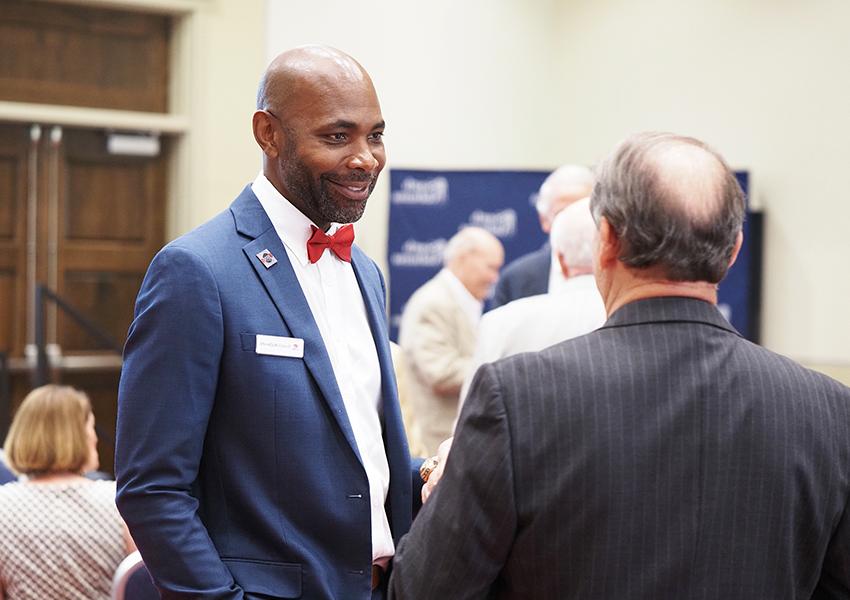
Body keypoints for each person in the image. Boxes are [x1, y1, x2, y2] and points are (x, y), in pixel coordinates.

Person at [389, 132, 850, 599]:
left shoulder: (518, 397)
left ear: (604, 240)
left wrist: (446, 490)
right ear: (733, 250)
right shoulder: (829, 410)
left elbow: (424, 590)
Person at [115, 46, 419, 599]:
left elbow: (348, 453)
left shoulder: (365, 273)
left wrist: (424, 473)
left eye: (375, 135)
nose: (366, 158)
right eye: (336, 136)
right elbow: (152, 488)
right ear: (268, 134)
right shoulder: (196, 271)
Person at [458, 197, 606, 405]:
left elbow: (471, 416)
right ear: (612, 253)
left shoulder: (499, 323)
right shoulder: (639, 320)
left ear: (560, 260)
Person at [0, 384, 135, 599]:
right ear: (75, 436)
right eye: (90, 427)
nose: (96, 438)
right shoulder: (120, 502)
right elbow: (143, 583)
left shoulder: (3, 506)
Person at [398, 227, 503, 456]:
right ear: (464, 258)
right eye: (491, 268)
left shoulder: (456, 300)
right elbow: (440, 372)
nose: (495, 278)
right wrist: (499, 371)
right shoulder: (434, 303)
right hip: (437, 446)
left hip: (454, 442)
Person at [491, 164, 594, 308]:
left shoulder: (622, 276)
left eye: (583, 212)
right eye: (562, 214)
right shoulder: (515, 280)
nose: (573, 222)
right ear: (544, 220)